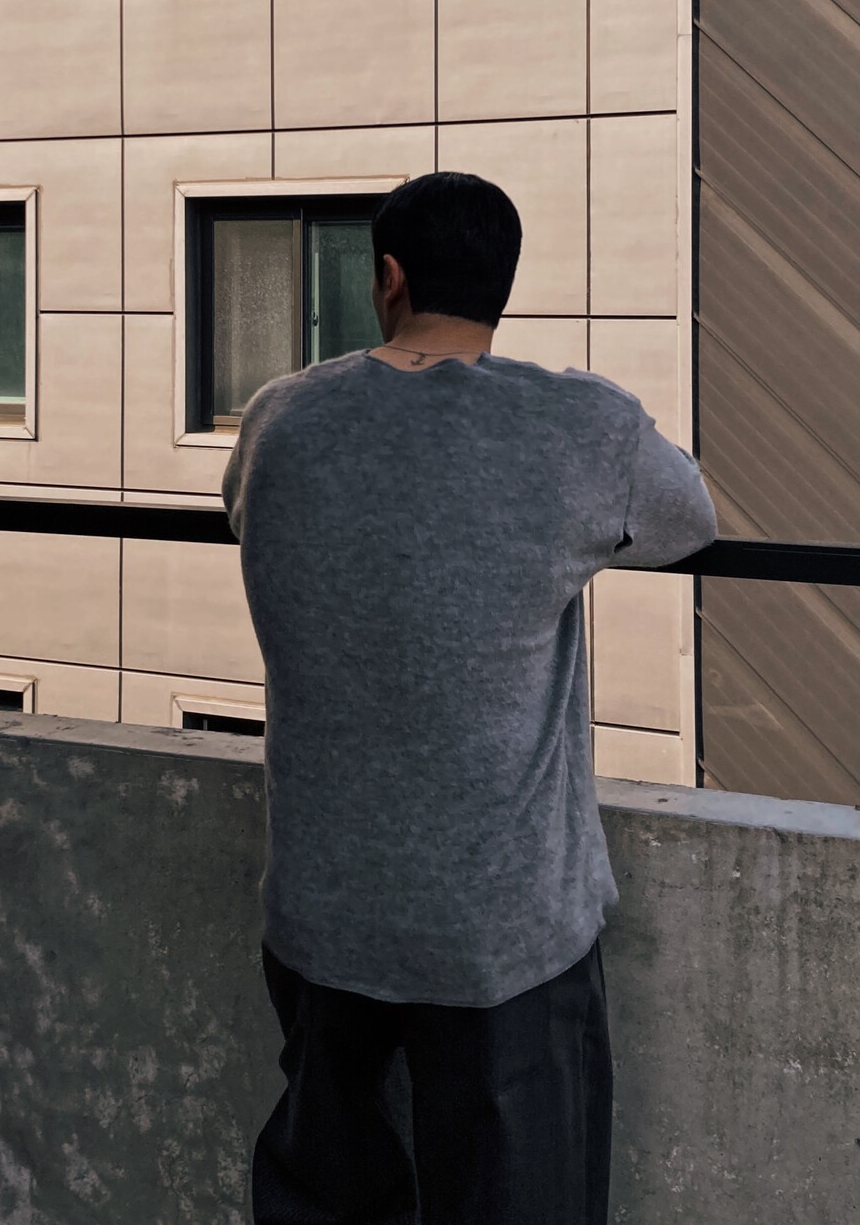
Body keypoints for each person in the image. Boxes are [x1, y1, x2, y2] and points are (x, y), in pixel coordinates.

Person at [221, 171, 718, 1225]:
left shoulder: (278, 417)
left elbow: (241, 509)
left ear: (388, 278)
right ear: (502, 286)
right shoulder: (576, 426)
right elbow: (691, 516)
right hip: (504, 938)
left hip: (324, 919)